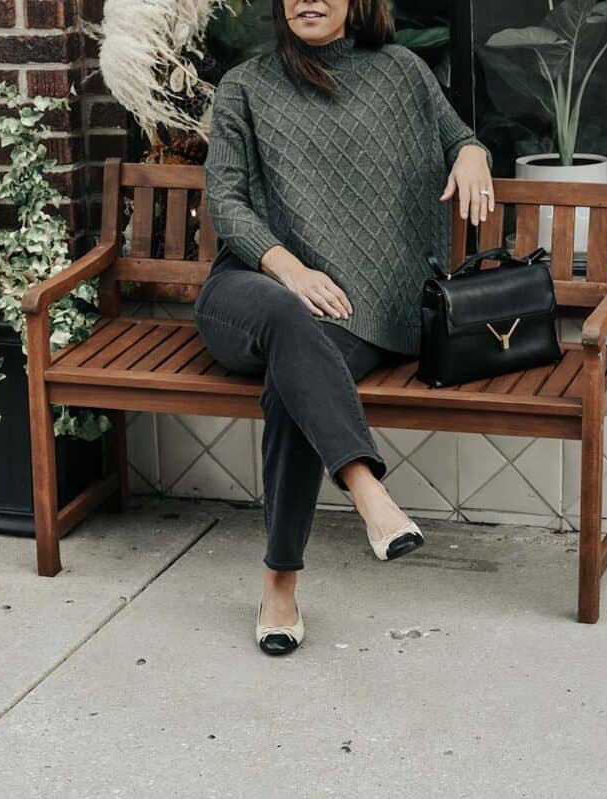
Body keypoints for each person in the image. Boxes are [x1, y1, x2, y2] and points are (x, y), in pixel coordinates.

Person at [193, 0, 494, 655]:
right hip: (248, 292)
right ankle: (368, 491)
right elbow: (226, 200)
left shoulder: (401, 73)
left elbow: (457, 135)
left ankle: (280, 585)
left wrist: (472, 151)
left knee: (293, 377)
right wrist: (290, 269)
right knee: (285, 315)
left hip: (347, 315)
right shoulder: (245, 85)